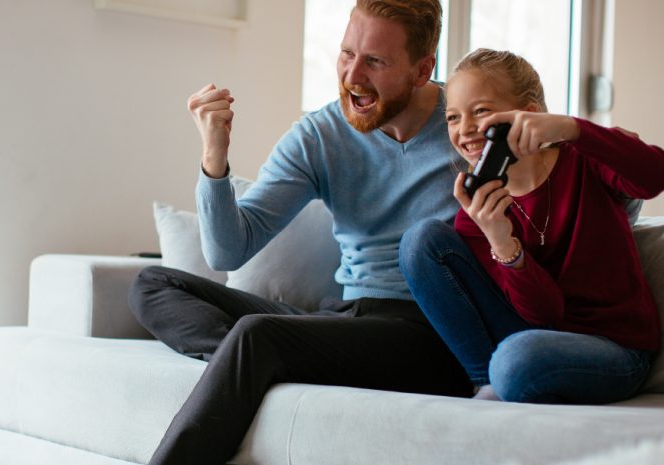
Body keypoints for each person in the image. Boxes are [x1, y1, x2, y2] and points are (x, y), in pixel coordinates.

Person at [127, 1, 476, 464]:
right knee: (154, 283)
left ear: (421, 69)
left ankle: (261, 362)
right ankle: (265, 364)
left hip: (432, 331)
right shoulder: (321, 134)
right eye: (347, 53)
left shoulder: (468, 125)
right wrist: (215, 156)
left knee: (258, 338)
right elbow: (227, 251)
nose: (353, 75)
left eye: (375, 61)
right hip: (350, 318)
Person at [400, 48, 664, 404]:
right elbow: (545, 314)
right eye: (453, 117)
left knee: (517, 359)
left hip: (614, 349)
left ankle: (503, 380)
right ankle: (489, 383)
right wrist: (502, 241)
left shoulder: (584, 162)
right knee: (420, 241)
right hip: (533, 337)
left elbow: (659, 176)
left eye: (480, 111)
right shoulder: (479, 210)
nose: (464, 129)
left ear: (528, 114)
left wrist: (572, 128)